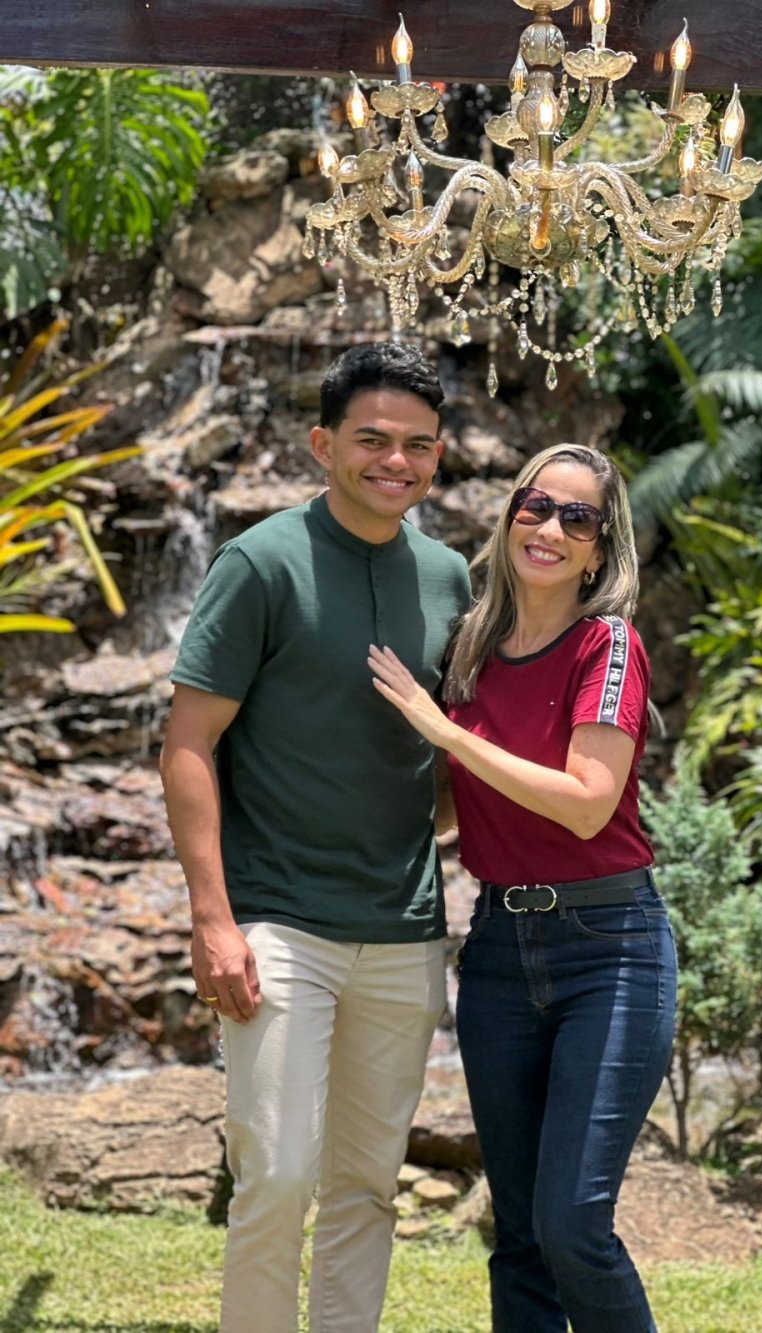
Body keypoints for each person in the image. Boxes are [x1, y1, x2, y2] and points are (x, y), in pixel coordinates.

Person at [159, 341, 471, 1333]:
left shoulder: (450, 577)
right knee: (279, 1173)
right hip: (277, 922)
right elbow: (187, 744)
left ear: (438, 454)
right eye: (371, 439)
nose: (396, 461)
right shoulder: (259, 561)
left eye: (417, 444)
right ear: (321, 445)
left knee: (366, 1186)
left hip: (405, 928)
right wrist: (213, 918)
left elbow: (450, 755)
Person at [369, 442, 677, 1333]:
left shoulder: (606, 644)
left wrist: (444, 731)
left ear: (599, 548)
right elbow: (451, 806)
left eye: (577, 517)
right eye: (535, 506)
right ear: (510, 516)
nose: (549, 528)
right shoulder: (469, 644)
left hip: (610, 950)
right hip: (500, 949)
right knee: (521, 1237)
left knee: (573, 1224)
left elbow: (587, 803)